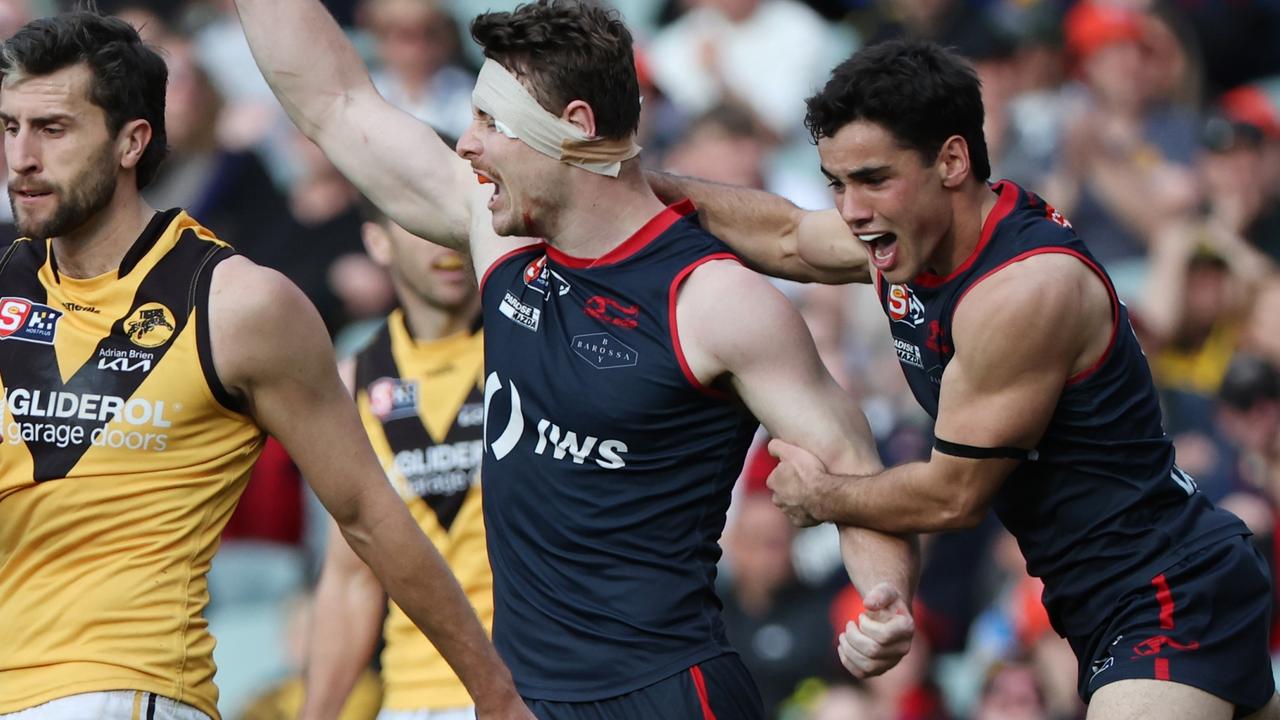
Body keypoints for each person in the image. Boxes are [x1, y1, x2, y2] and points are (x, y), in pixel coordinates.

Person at [230, 1, 919, 717]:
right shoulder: (502, 243)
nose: (466, 145)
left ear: (576, 128)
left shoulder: (712, 301)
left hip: (667, 695)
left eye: (491, 123)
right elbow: (334, 102)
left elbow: (850, 461)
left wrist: (885, 597)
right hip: (527, 700)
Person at [649, 39, 1279, 719]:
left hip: (1163, 593)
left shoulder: (1021, 290)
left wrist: (823, 497)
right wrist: (632, 187)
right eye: (837, 183)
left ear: (951, 161)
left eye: (872, 178)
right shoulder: (907, 236)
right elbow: (788, 237)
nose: (852, 209)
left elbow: (953, 497)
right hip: (1112, 597)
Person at [0, 13, 529, 720]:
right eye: (10, 127)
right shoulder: (7, 283)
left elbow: (369, 515)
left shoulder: (237, 303)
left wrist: (495, 695)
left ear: (132, 142)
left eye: (53, 129)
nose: (22, 157)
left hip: (121, 689)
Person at [304, 200, 487, 720]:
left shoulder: (536, 353)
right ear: (377, 241)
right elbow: (350, 575)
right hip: (411, 699)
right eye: (422, 225)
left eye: (456, 223)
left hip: (538, 691)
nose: (446, 244)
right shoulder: (350, 381)